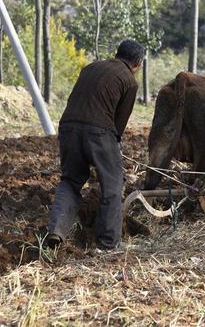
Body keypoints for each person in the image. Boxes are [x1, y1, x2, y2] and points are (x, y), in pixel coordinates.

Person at [46, 39, 144, 251]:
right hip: (98, 132)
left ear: (117, 54)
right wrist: (114, 148)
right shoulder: (130, 81)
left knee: (70, 181)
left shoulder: (90, 67)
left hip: (68, 127)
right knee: (112, 184)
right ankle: (107, 243)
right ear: (138, 64)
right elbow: (118, 126)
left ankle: (56, 229)